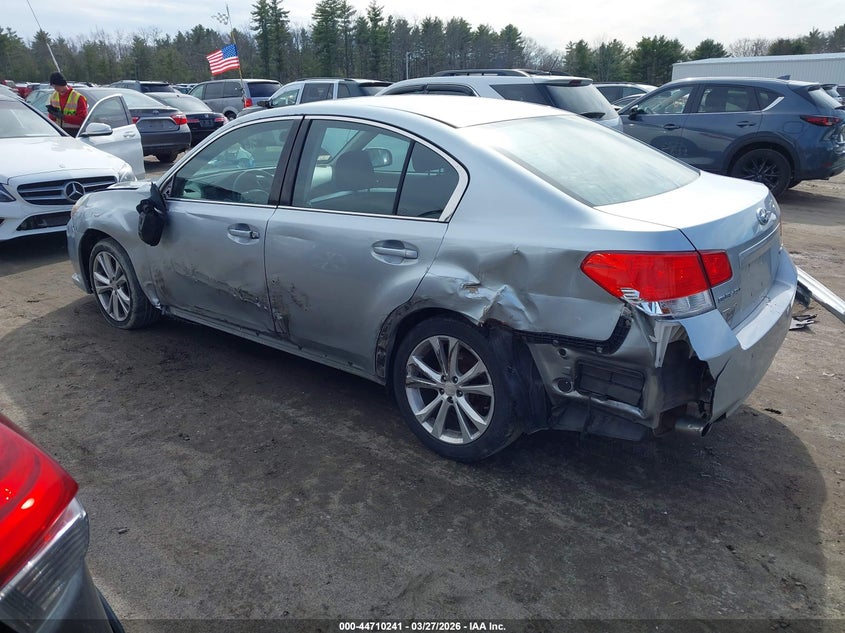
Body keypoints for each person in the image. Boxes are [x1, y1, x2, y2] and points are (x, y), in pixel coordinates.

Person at [47, 71, 87, 136]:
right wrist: (52, 114)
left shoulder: (78, 98)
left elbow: (82, 120)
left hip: (74, 133)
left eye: (56, 86)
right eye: (53, 86)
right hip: (58, 132)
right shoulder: (53, 96)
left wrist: (63, 117)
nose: (55, 88)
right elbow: (51, 118)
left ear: (61, 83)